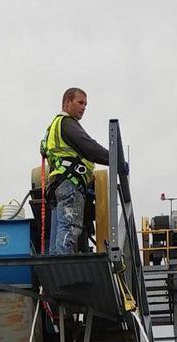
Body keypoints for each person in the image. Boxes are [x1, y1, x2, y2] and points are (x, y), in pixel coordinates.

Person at [41, 88, 114, 256]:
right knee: (68, 229)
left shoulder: (53, 127)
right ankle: (67, 270)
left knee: (58, 235)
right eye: (80, 103)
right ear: (67, 102)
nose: (84, 108)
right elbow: (89, 147)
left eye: (86, 105)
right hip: (69, 184)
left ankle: (58, 271)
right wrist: (115, 159)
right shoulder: (67, 123)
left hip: (56, 185)